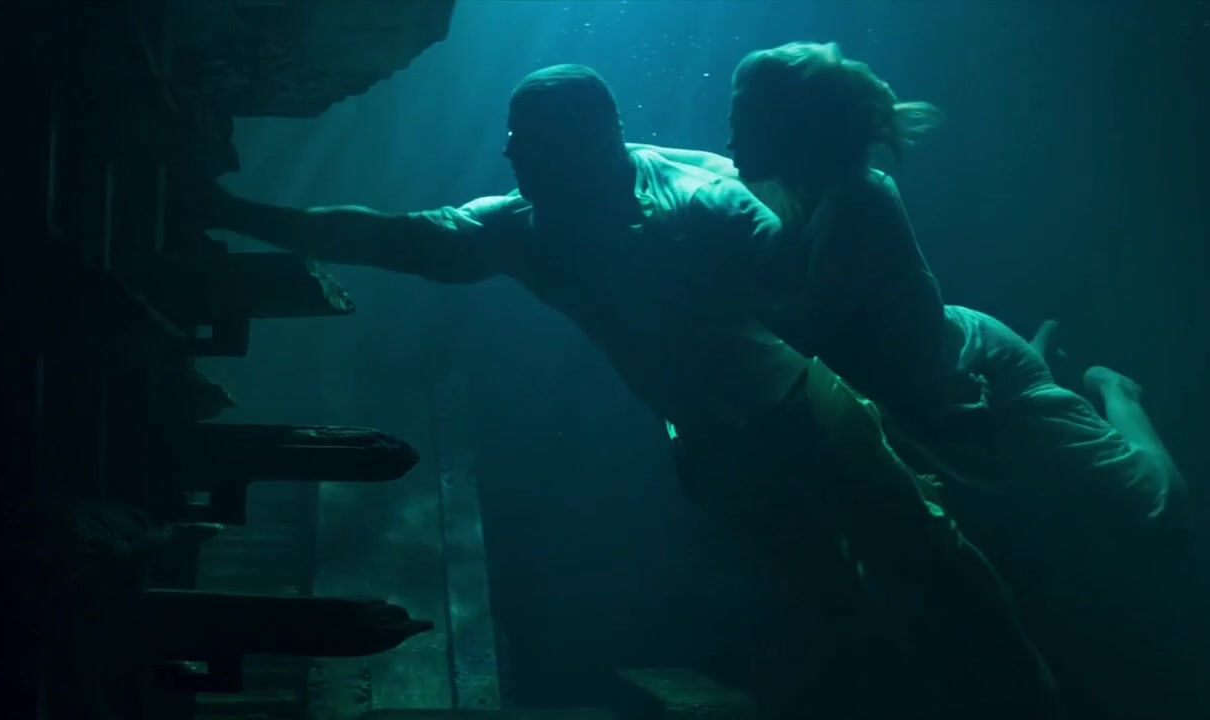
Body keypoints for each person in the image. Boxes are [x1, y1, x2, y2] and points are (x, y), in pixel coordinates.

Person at [197, 63, 1059, 719]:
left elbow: (827, 297)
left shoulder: (700, 200)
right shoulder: (524, 225)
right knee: (822, 599)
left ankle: (1028, 700)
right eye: (513, 137)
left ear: (590, 139)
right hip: (721, 448)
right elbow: (395, 239)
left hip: (809, 411)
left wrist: (923, 391)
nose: (508, 152)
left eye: (527, 138)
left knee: (931, 561)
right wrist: (245, 216)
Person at [722, 41, 1198, 719]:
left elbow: (816, 330)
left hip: (975, 383)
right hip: (943, 389)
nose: (731, 136)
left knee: (1157, 513)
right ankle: (1047, 370)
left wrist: (711, 285)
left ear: (792, 124)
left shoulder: (861, 196)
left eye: (744, 116)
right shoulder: (803, 191)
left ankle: (1117, 390)